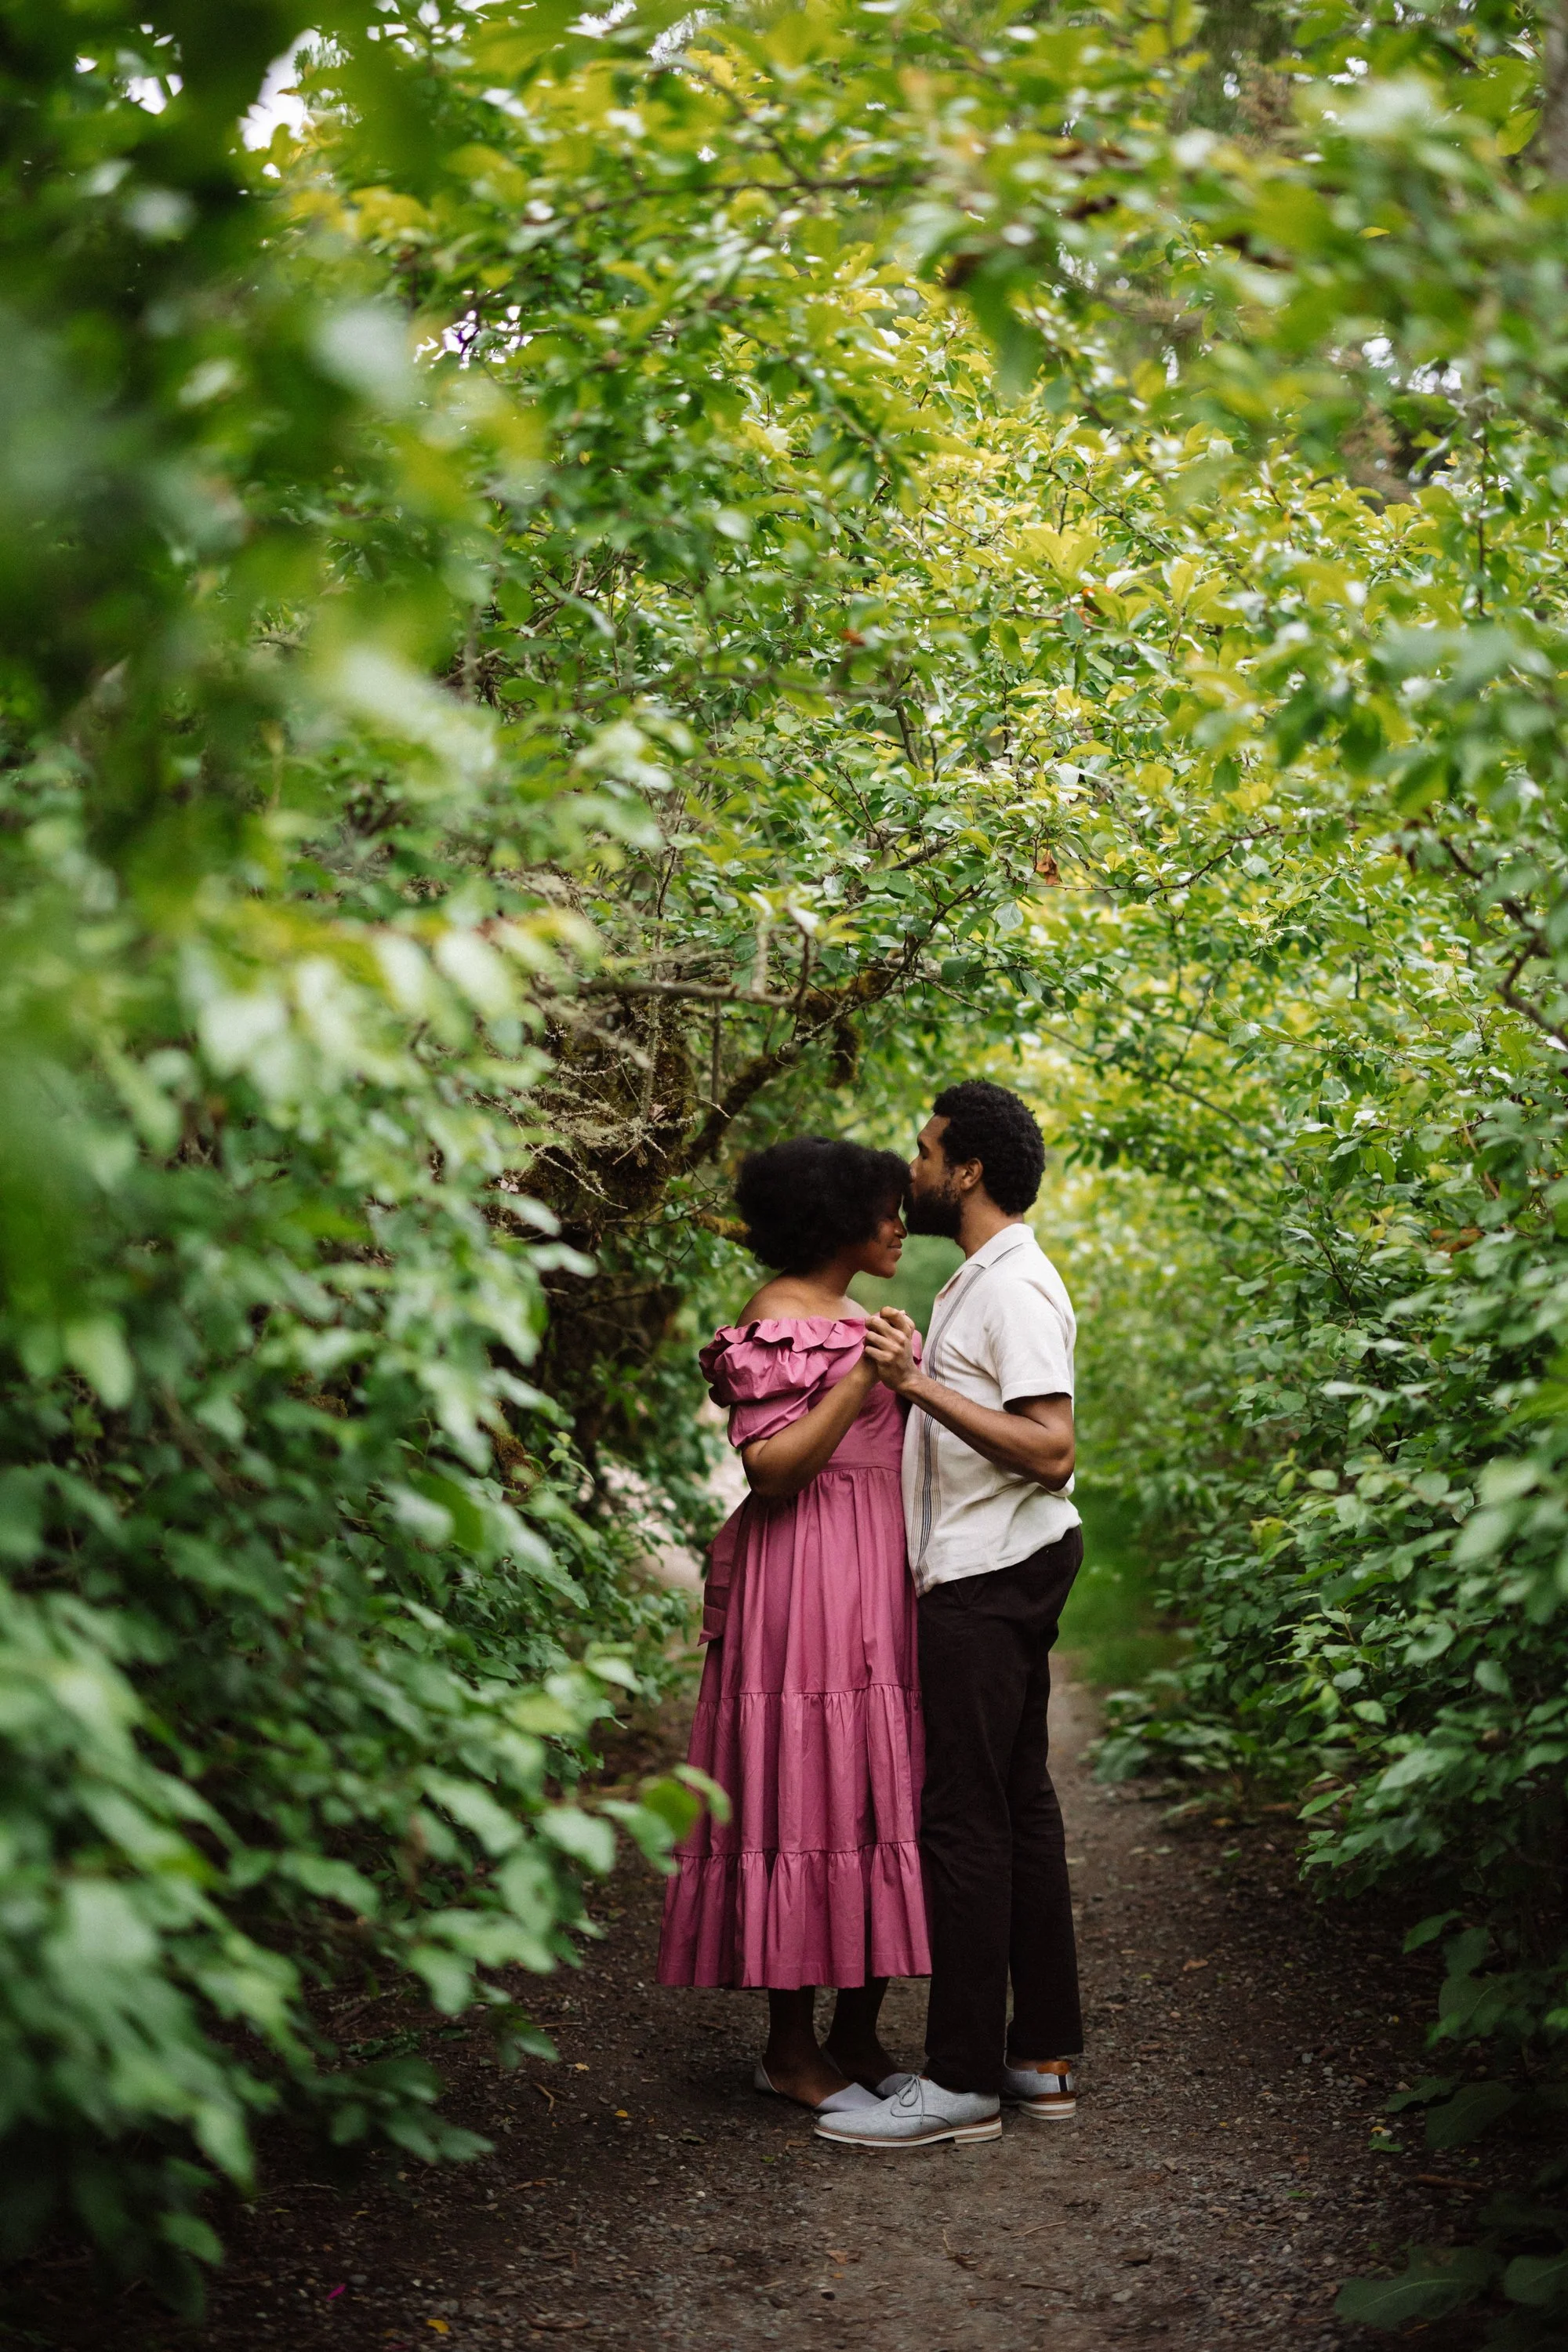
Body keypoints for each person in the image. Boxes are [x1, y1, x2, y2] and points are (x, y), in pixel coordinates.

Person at [813, 1080, 1083, 2152]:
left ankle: (963, 2079)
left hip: (988, 1577)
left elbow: (1051, 1447)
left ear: (967, 1170)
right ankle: (1039, 2060)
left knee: (964, 1820)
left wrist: (917, 1387)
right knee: (1019, 1811)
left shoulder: (1015, 1286)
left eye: (926, 1151)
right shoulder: (981, 1279)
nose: (913, 1168)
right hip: (999, 1566)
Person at [656, 1135, 931, 2115]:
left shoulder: (859, 1314)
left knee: (872, 1785)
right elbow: (769, 1470)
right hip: (801, 1569)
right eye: (885, 1209)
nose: (900, 1225)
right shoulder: (775, 1315)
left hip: (873, 1571)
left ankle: (856, 2032)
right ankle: (787, 2045)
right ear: (835, 1218)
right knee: (803, 1786)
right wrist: (863, 1377)